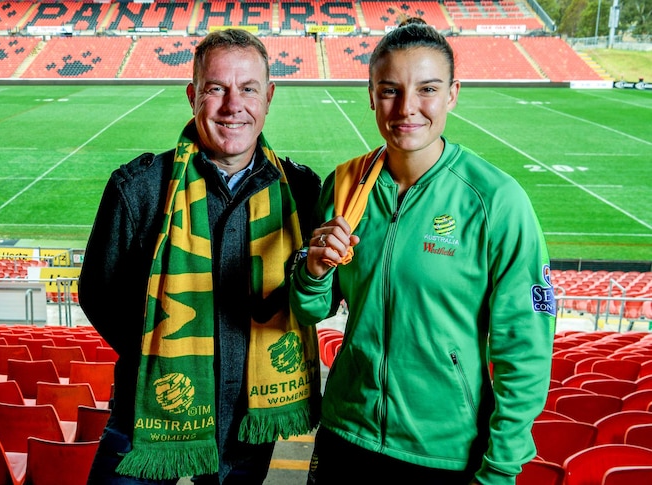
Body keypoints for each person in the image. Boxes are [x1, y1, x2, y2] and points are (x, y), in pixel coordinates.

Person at [290, 17, 555, 485]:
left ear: (453, 93)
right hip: (345, 435)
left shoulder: (496, 200)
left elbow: (526, 348)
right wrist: (311, 272)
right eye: (390, 90)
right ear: (371, 95)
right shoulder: (344, 185)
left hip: (443, 453)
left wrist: (500, 468)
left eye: (427, 89)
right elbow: (314, 309)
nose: (407, 108)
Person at [78, 28, 323, 485]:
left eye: (248, 89)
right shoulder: (139, 189)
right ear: (193, 96)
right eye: (216, 89)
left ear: (268, 97)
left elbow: (317, 294)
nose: (234, 105)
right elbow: (97, 293)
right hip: (150, 411)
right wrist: (160, 356)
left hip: (252, 418)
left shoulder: (302, 192)